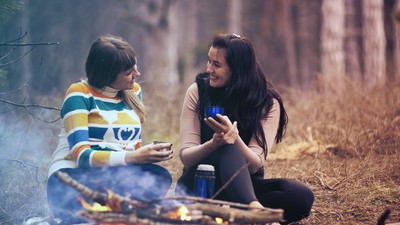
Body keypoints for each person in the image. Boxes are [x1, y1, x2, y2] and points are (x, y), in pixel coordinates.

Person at [175, 33, 314, 224]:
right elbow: (187, 157)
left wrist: (235, 138)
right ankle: (256, 213)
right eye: (209, 61)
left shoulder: (267, 102)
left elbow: (256, 164)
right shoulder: (198, 91)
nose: (209, 69)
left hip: (244, 186)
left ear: (238, 69)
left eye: (217, 65)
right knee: (226, 148)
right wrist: (214, 144)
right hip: (200, 185)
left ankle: (239, 212)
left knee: (301, 195)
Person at [47, 34, 174, 224]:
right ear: (107, 74)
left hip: (113, 177)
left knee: (158, 176)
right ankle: (105, 211)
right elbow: (81, 157)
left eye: (135, 67)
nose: (137, 74)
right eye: (129, 72)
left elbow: (132, 147)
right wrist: (133, 158)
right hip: (71, 178)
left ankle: (113, 212)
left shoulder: (133, 92)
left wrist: (143, 156)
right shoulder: (79, 94)